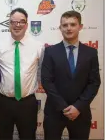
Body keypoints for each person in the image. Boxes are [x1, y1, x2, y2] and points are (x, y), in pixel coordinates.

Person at [41, 10, 101, 140]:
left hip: (80, 113)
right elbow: (46, 81)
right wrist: (63, 107)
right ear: (60, 28)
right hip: (55, 112)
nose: (69, 28)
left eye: (73, 24)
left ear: (80, 27)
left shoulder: (91, 53)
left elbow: (94, 82)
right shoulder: (50, 52)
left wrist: (78, 107)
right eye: (65, 25)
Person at [0, 8, 44, 140]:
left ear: (27, 25)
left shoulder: (38, 47)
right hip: (3, 102)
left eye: (21, 22)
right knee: (3, 137)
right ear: (9, 24)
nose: (17, 25)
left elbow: (43, 72)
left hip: (27, 103)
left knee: (28, 137)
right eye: (13, 22)